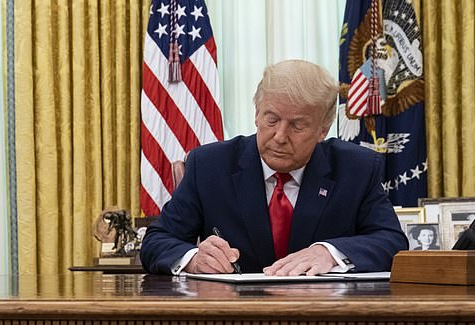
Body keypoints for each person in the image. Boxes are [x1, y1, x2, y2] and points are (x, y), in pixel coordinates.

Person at [140, 59, 408, 276]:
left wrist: (330, 252)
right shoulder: (210, 166)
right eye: (271, 119)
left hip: (326, 320)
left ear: (323, 130)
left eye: (297, 125)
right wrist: (194, 259)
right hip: (232, 321)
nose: (280, 135)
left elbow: (392, 243)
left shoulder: (356, 169)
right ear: (257, 113)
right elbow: (157, 241)